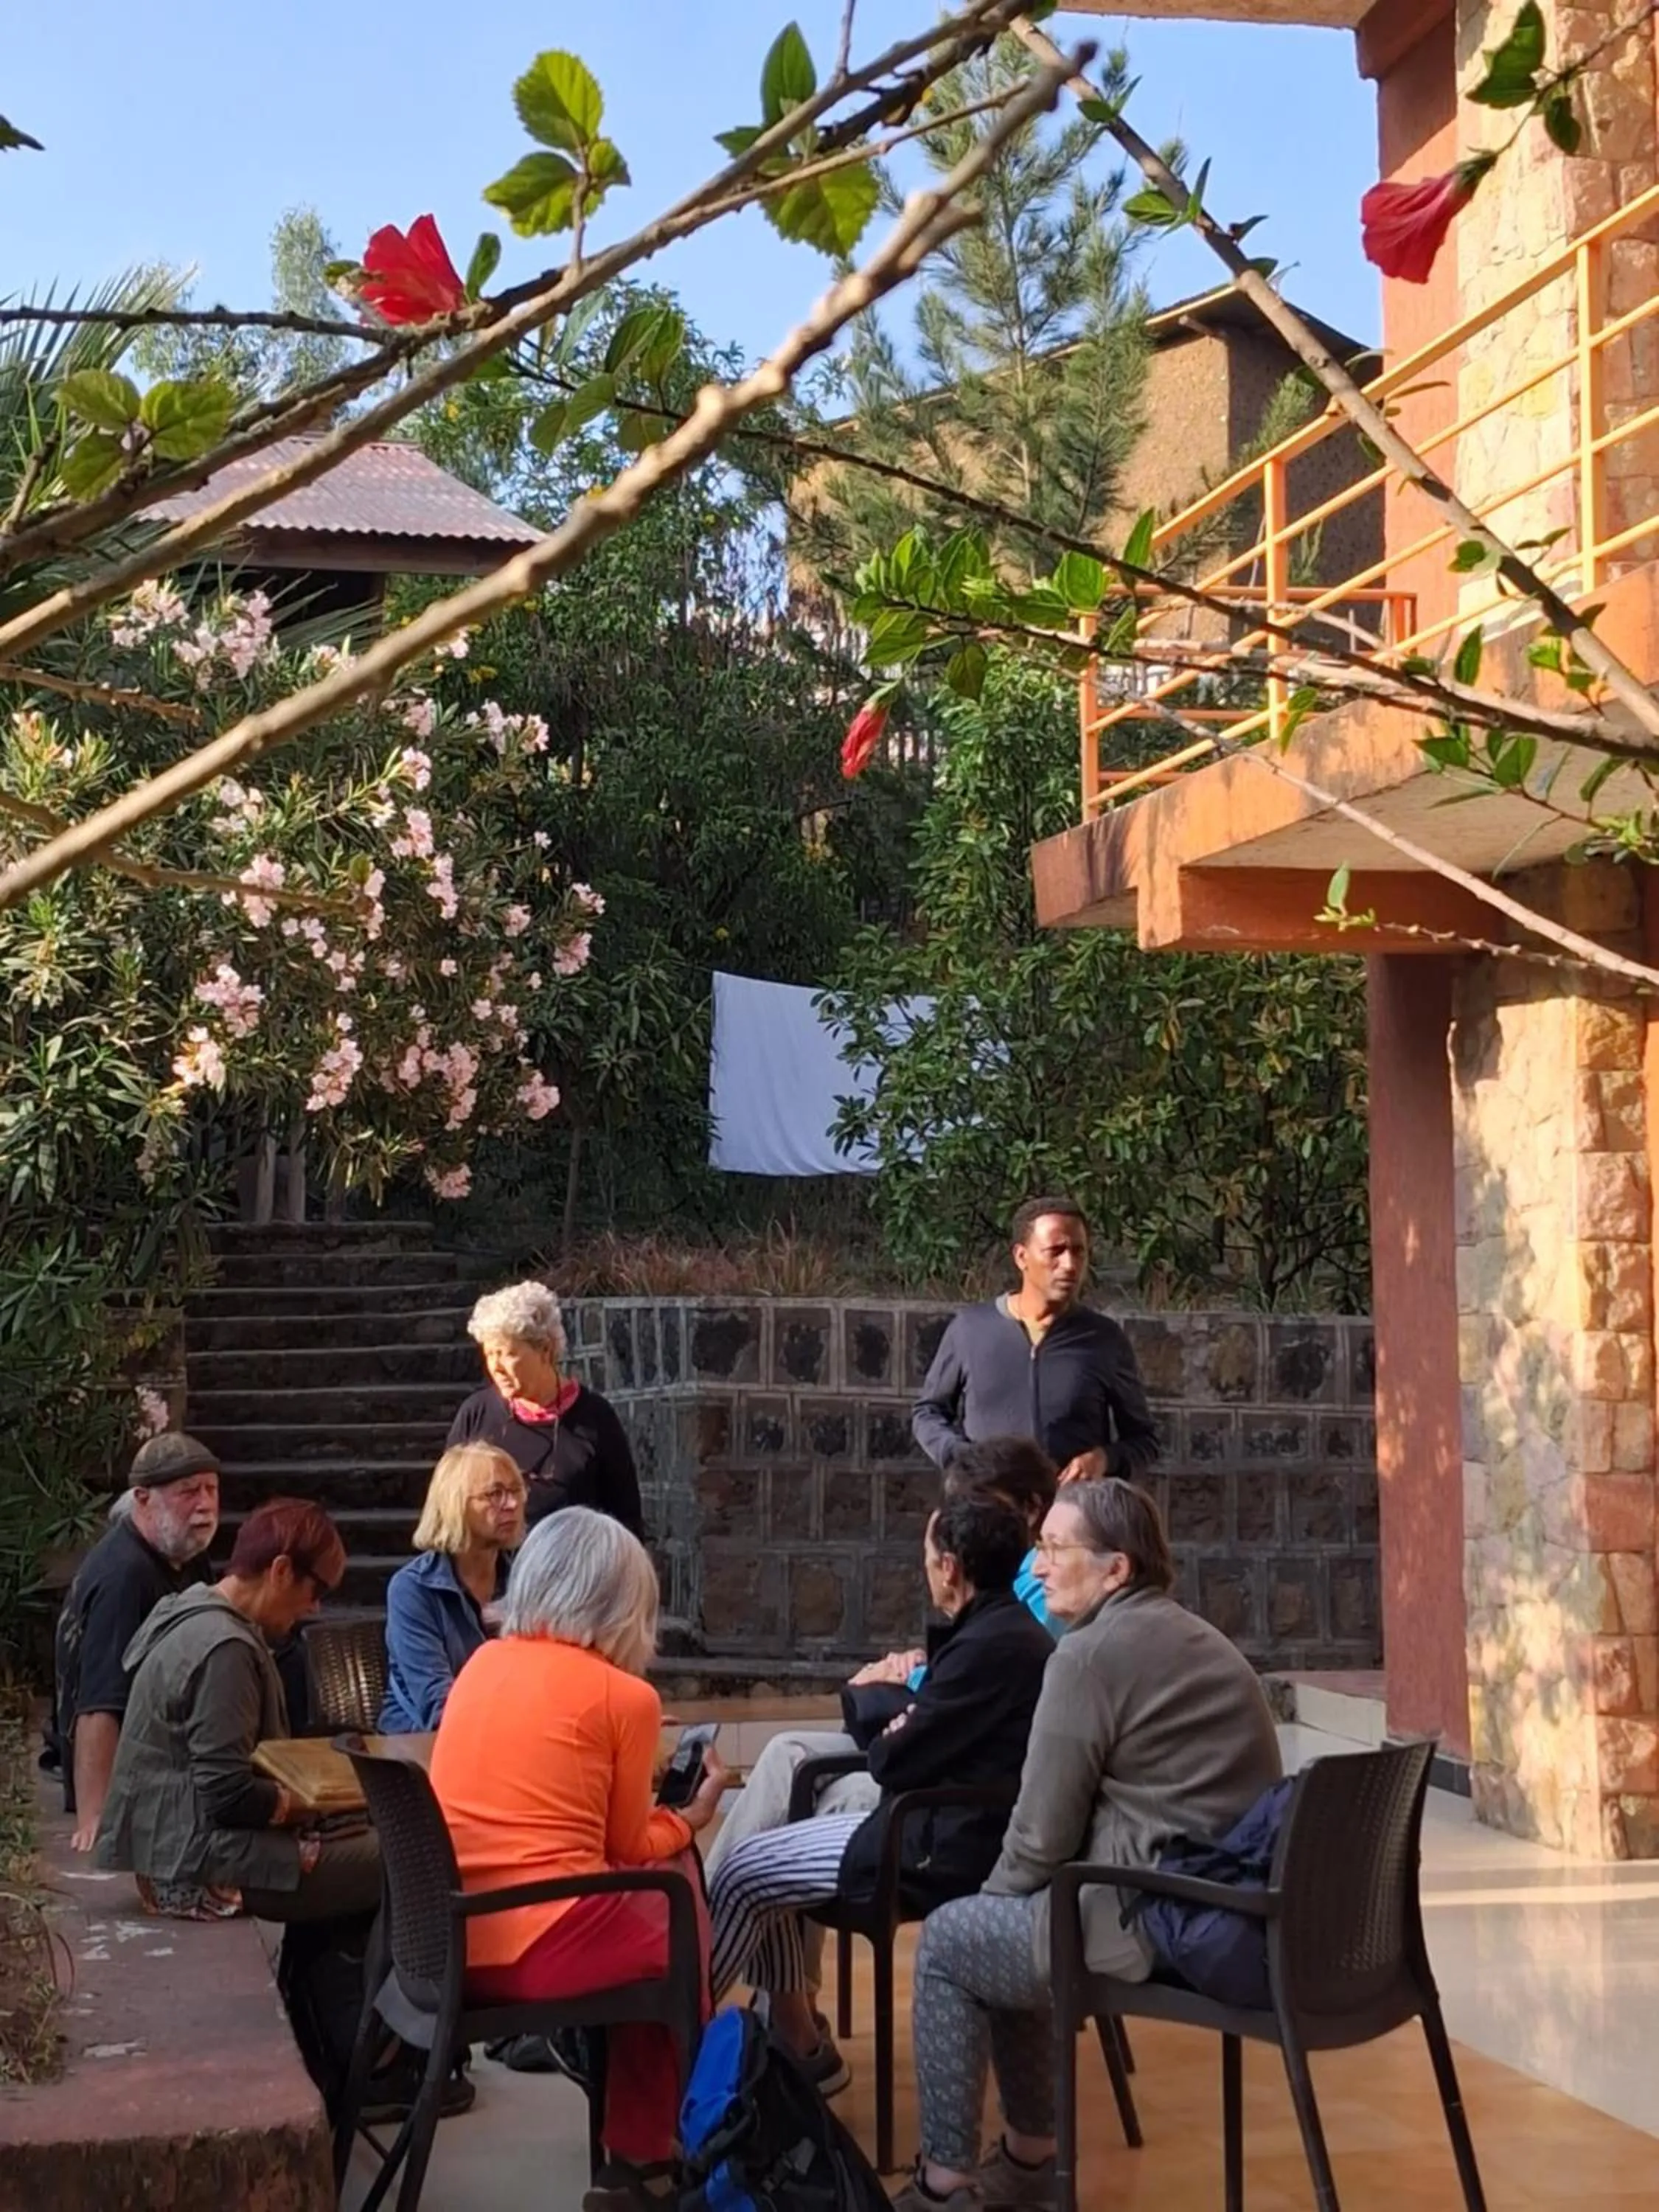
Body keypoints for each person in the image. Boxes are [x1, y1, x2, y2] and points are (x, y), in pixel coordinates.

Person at [893, 1479, 1282, 2212]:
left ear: (1115, 1569)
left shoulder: (1085, 1657)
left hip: (1160, 1916)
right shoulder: (1203, 1639)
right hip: (1230, 1910)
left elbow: (1039, 1837)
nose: (1035, 1568)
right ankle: (1031, 2160)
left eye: (1053, 1550)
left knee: (952, 1942)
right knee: (1013, 1925)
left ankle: (945, 2185)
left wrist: (992, 1907)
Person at [431, 1506, 726, 2212]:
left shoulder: (482, 1663)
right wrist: (689, 1818)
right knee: (676, 1912)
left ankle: (647, 2142)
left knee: (662, 1906)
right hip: (539, 1945)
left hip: (447, 1938)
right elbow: (627, 1848)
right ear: (625, 1603)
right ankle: (658, 2147)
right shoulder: (626, 1697)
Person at [708, 1498, 1054, 2096]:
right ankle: (794, 2039)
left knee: (744, 1872)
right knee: (770, 1851)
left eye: (927, 1557)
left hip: (927, 1845)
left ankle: (669, 2027)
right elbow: (917, 1737)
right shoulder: (1007, 1633)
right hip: (940, 1826)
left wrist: (893, 1722)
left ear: (950, 1568)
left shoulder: (986, 1646)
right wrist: (902, 1725)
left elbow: (896, 1760)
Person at [95, 1496, 380, 1924]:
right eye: (316, 1590)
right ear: (280, 1571)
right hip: (198, 1868)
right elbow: (229, 1796)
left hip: (175, 1849)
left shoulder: (192, 1609)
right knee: (413, 1855)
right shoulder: (224, 1649)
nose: (315, 1607)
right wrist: (314, 1802)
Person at [912, 1197, 1160, 1487]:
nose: (1070, 1265)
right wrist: (963, 1459)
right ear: (1021, 1257)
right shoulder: (971, 1329)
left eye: (1078, 1251)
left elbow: (1144, 1440)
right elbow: (928, 1413)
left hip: (1071, 1508)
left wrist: (1104, 1460)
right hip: (988, 1504)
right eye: (1055, 1251)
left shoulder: (1104, 1339)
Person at [52, 1430, 221, 1850]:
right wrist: (97, 1817)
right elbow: (98, 1703)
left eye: (211, 1489)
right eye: (189, 1492)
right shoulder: (125, 1576)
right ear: (144, 1500)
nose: (205, 1504)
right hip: (126, 1764)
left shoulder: (187, 1554)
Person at [448, 1281, 644, 1538]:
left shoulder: (595, 1418)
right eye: (490, 1354)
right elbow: (448, 1507)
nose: (495, 1367)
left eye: (507, 1354)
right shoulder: (476, 1414)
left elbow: (626, 1523)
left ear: (546, 1350)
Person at [380, 1441, 526, 1732]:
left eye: (516, 1491)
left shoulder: (526, 1578)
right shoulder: (413, 1589)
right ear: (454, 1503)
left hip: (507, 1734)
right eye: (495, 1494)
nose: (511, 1504)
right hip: (420, 1744)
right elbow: (438, 1705)